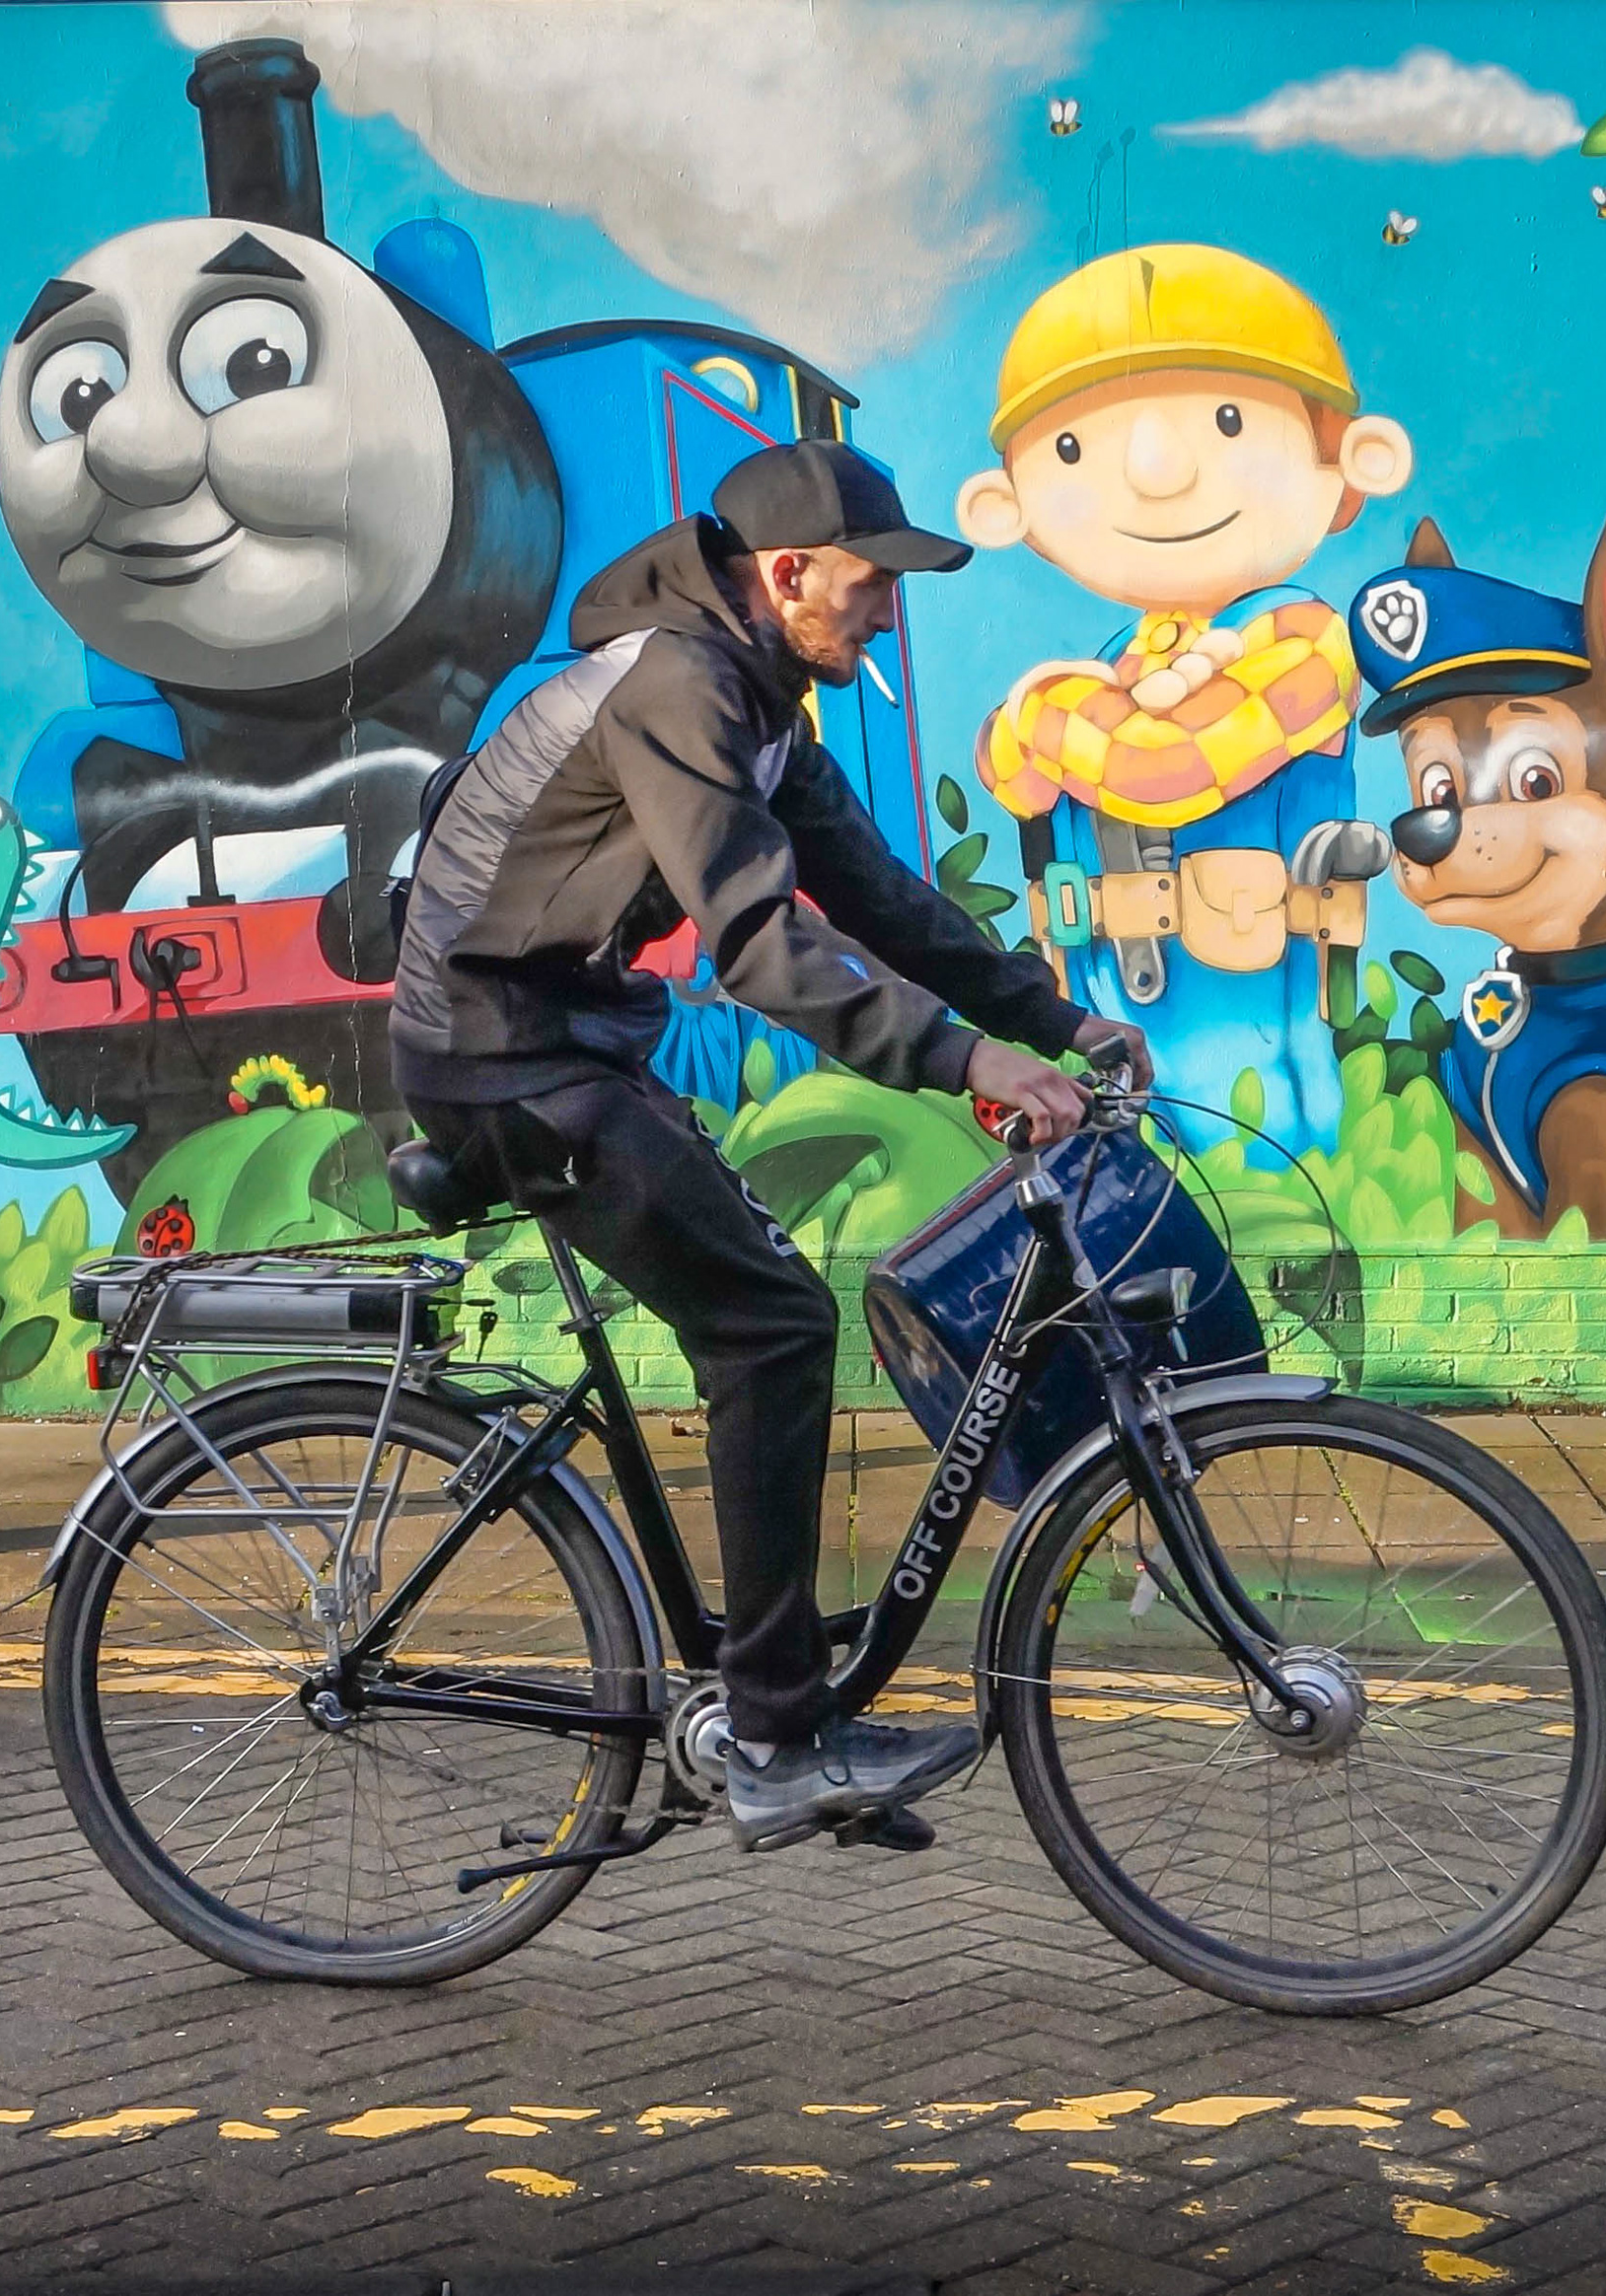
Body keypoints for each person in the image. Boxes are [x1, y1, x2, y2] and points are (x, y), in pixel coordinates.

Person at [392, 438, 1140, 1851]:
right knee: (775, 1326)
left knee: (774, 1311)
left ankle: (787, 1703)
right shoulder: (679, 683)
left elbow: (873, 896)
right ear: (789, 574)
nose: (888, 614)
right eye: (873, 586)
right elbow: (753, 941)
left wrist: (1051, 1021)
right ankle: (773, 1737)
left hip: (562, 1040)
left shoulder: (756, 693)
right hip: (499, 1060)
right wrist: (966, 1061)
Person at [950, 244, 1416, 1161]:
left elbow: (1157, 767)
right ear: (1008, 506)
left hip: (1251, 1079)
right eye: (1076, 446)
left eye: (1230, 422)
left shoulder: (1305, 639)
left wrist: (1045, 712)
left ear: (1353, 461)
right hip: (1116, 1052)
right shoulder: (1115, 662)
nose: (1158, 470)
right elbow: (1006, 771)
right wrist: (1054, 717)